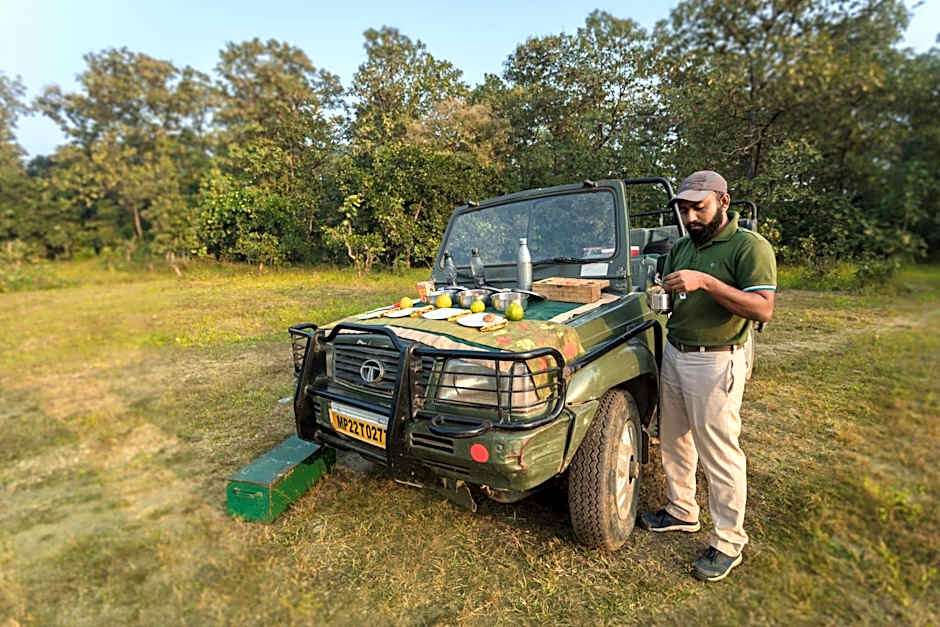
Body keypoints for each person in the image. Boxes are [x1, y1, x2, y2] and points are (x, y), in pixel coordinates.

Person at [639, 170, 776, 582]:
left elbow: (762, 309)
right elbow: (675, 297)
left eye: (699, 207)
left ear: (723, 202)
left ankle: (729, 541)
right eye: (684, 209)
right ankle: (682, 510)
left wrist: (708, 282)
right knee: (676, 440)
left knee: (719, 452)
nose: (691, 216)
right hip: (677, 353)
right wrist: (662, 297)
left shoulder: (748, 247)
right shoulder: (682, 247)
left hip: (717, 360)